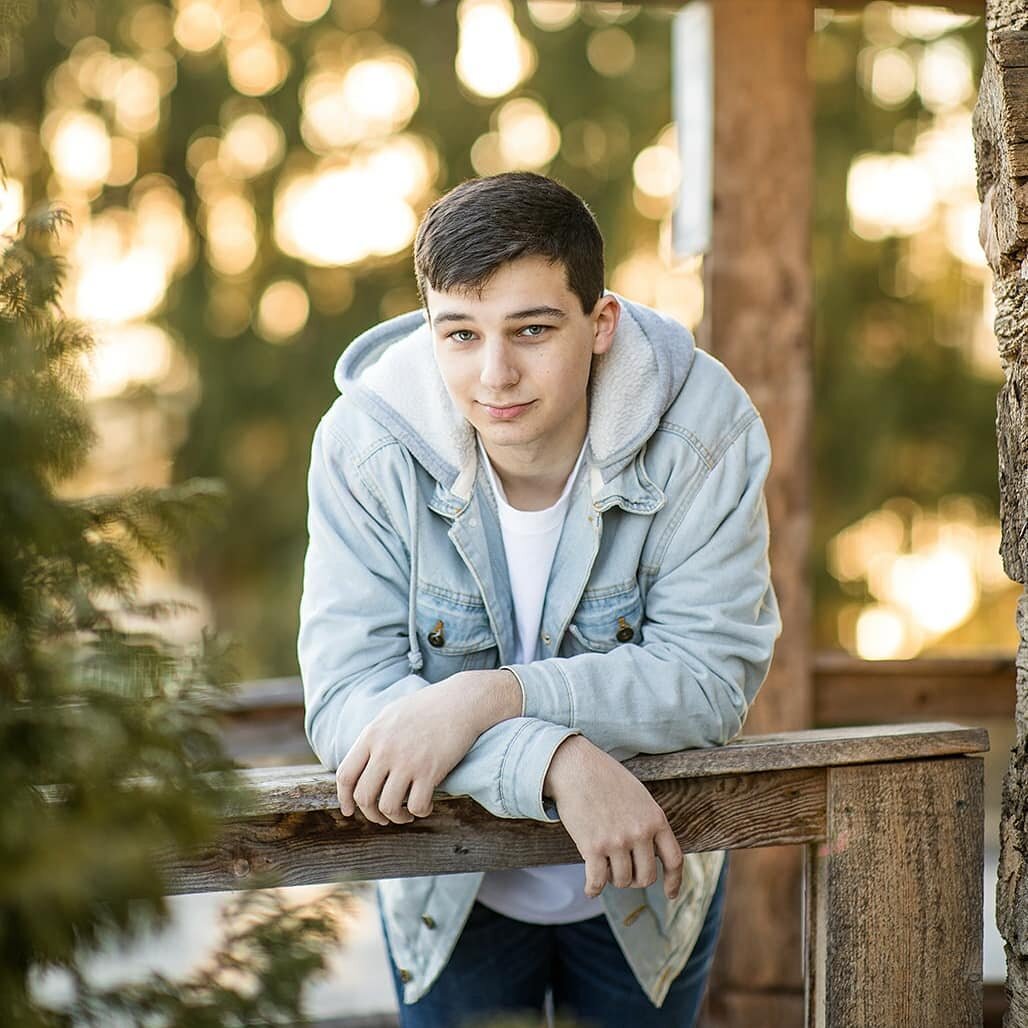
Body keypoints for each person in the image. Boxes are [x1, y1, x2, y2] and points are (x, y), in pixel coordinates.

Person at [298, 171, 781, 1027]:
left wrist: (491, 695)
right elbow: (347, 703)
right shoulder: (365, 445)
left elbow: (709, 681)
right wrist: (553, 760)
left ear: (600, 324)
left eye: (531, 329)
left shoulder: (705, 432)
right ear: (428, 329)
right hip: (450, 887)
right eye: (460, 334)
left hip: (647, 878)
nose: (495, 373)